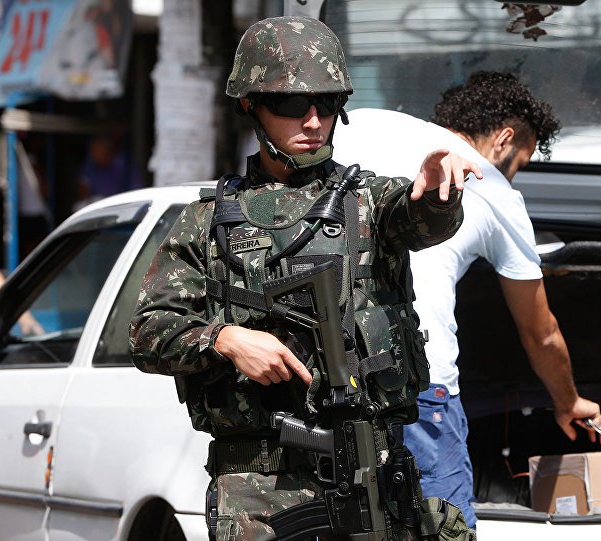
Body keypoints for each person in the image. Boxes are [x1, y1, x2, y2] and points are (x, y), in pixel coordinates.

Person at [129, 16, 481, 541]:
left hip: (372, 474)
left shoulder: (367, 202)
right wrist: (224, 339)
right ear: (250, 105)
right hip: (259, 490)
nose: (313, 120)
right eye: (292, 104)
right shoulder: (206, 222)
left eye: (328, 103)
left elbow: (419, 220)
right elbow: (148, 332)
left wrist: (435, 191)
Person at [333, 71, 601, 528]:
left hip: (324, 380)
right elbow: (540, 331)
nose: (514, 175)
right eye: (520, 162)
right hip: (417, 388)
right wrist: (568, 401)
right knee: (442, 529)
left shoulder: (364, 123)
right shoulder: (492, 188)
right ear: (504, 139)